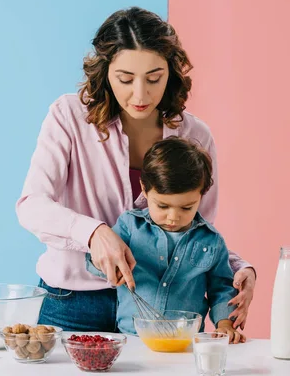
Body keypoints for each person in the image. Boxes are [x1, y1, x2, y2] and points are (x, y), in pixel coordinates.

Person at [16, 6, 256, 332]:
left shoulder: (195, 136)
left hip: (165, 310)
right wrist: (94, 233)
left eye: (154, 78)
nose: (141, 94)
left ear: (171, 73)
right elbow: (32, 206)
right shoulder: (68, 117)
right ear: (105, 72)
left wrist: (242, 269)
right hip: (72, 303)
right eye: (125, 79)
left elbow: (197, 231)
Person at [85, 137, 246, 344]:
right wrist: (107, 266)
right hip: (132, 339)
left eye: (186, 208)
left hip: (187, 342)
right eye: (162, 206)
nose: (173, 217)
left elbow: (222, 288)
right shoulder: (128, 226)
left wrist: (224, 323)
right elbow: (96, 260)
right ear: (144, 189)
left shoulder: (211, 241)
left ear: (202, 194)